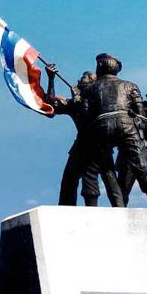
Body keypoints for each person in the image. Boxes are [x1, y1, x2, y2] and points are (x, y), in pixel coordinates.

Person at [80, 53, 147, 208]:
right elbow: (140, 114)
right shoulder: (131, 85)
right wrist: (139, 135)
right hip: (127, 126)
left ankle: (97, 207)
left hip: (101, 127)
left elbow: (86, 116)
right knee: (142, 166)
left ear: (99, 68)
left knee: (97, 168)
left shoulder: (89, 90)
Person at [45, 64, 123, 207]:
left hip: (98, 144)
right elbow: (51, 103)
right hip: (81, 145)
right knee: (69, 180)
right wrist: (51, 79)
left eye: (85, 77)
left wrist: (79, 99)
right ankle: (67, 209)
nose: (80, 79)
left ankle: (119, 208)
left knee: (107, 177)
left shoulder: (98, 101)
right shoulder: (74, 103)